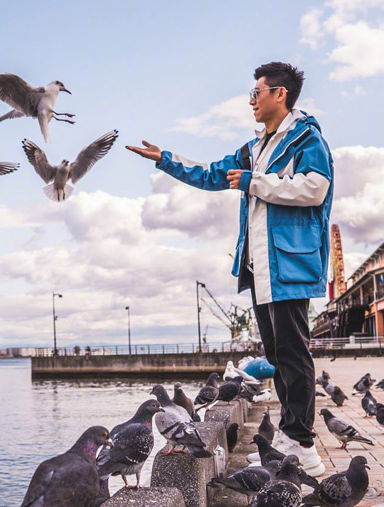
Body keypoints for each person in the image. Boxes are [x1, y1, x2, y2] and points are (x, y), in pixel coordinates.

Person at [126, 62, 333, 477]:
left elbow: (316, 187)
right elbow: (211, 175)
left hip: (289, 262)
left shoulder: (307, 138)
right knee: (276, 354)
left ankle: (304, 444)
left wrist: (254, 181)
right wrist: (165, 159)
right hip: (261, 267)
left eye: (257, 92)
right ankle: (290, 442)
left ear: (280, 94)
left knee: (294, 354)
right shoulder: (254, 147)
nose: (251, 100)